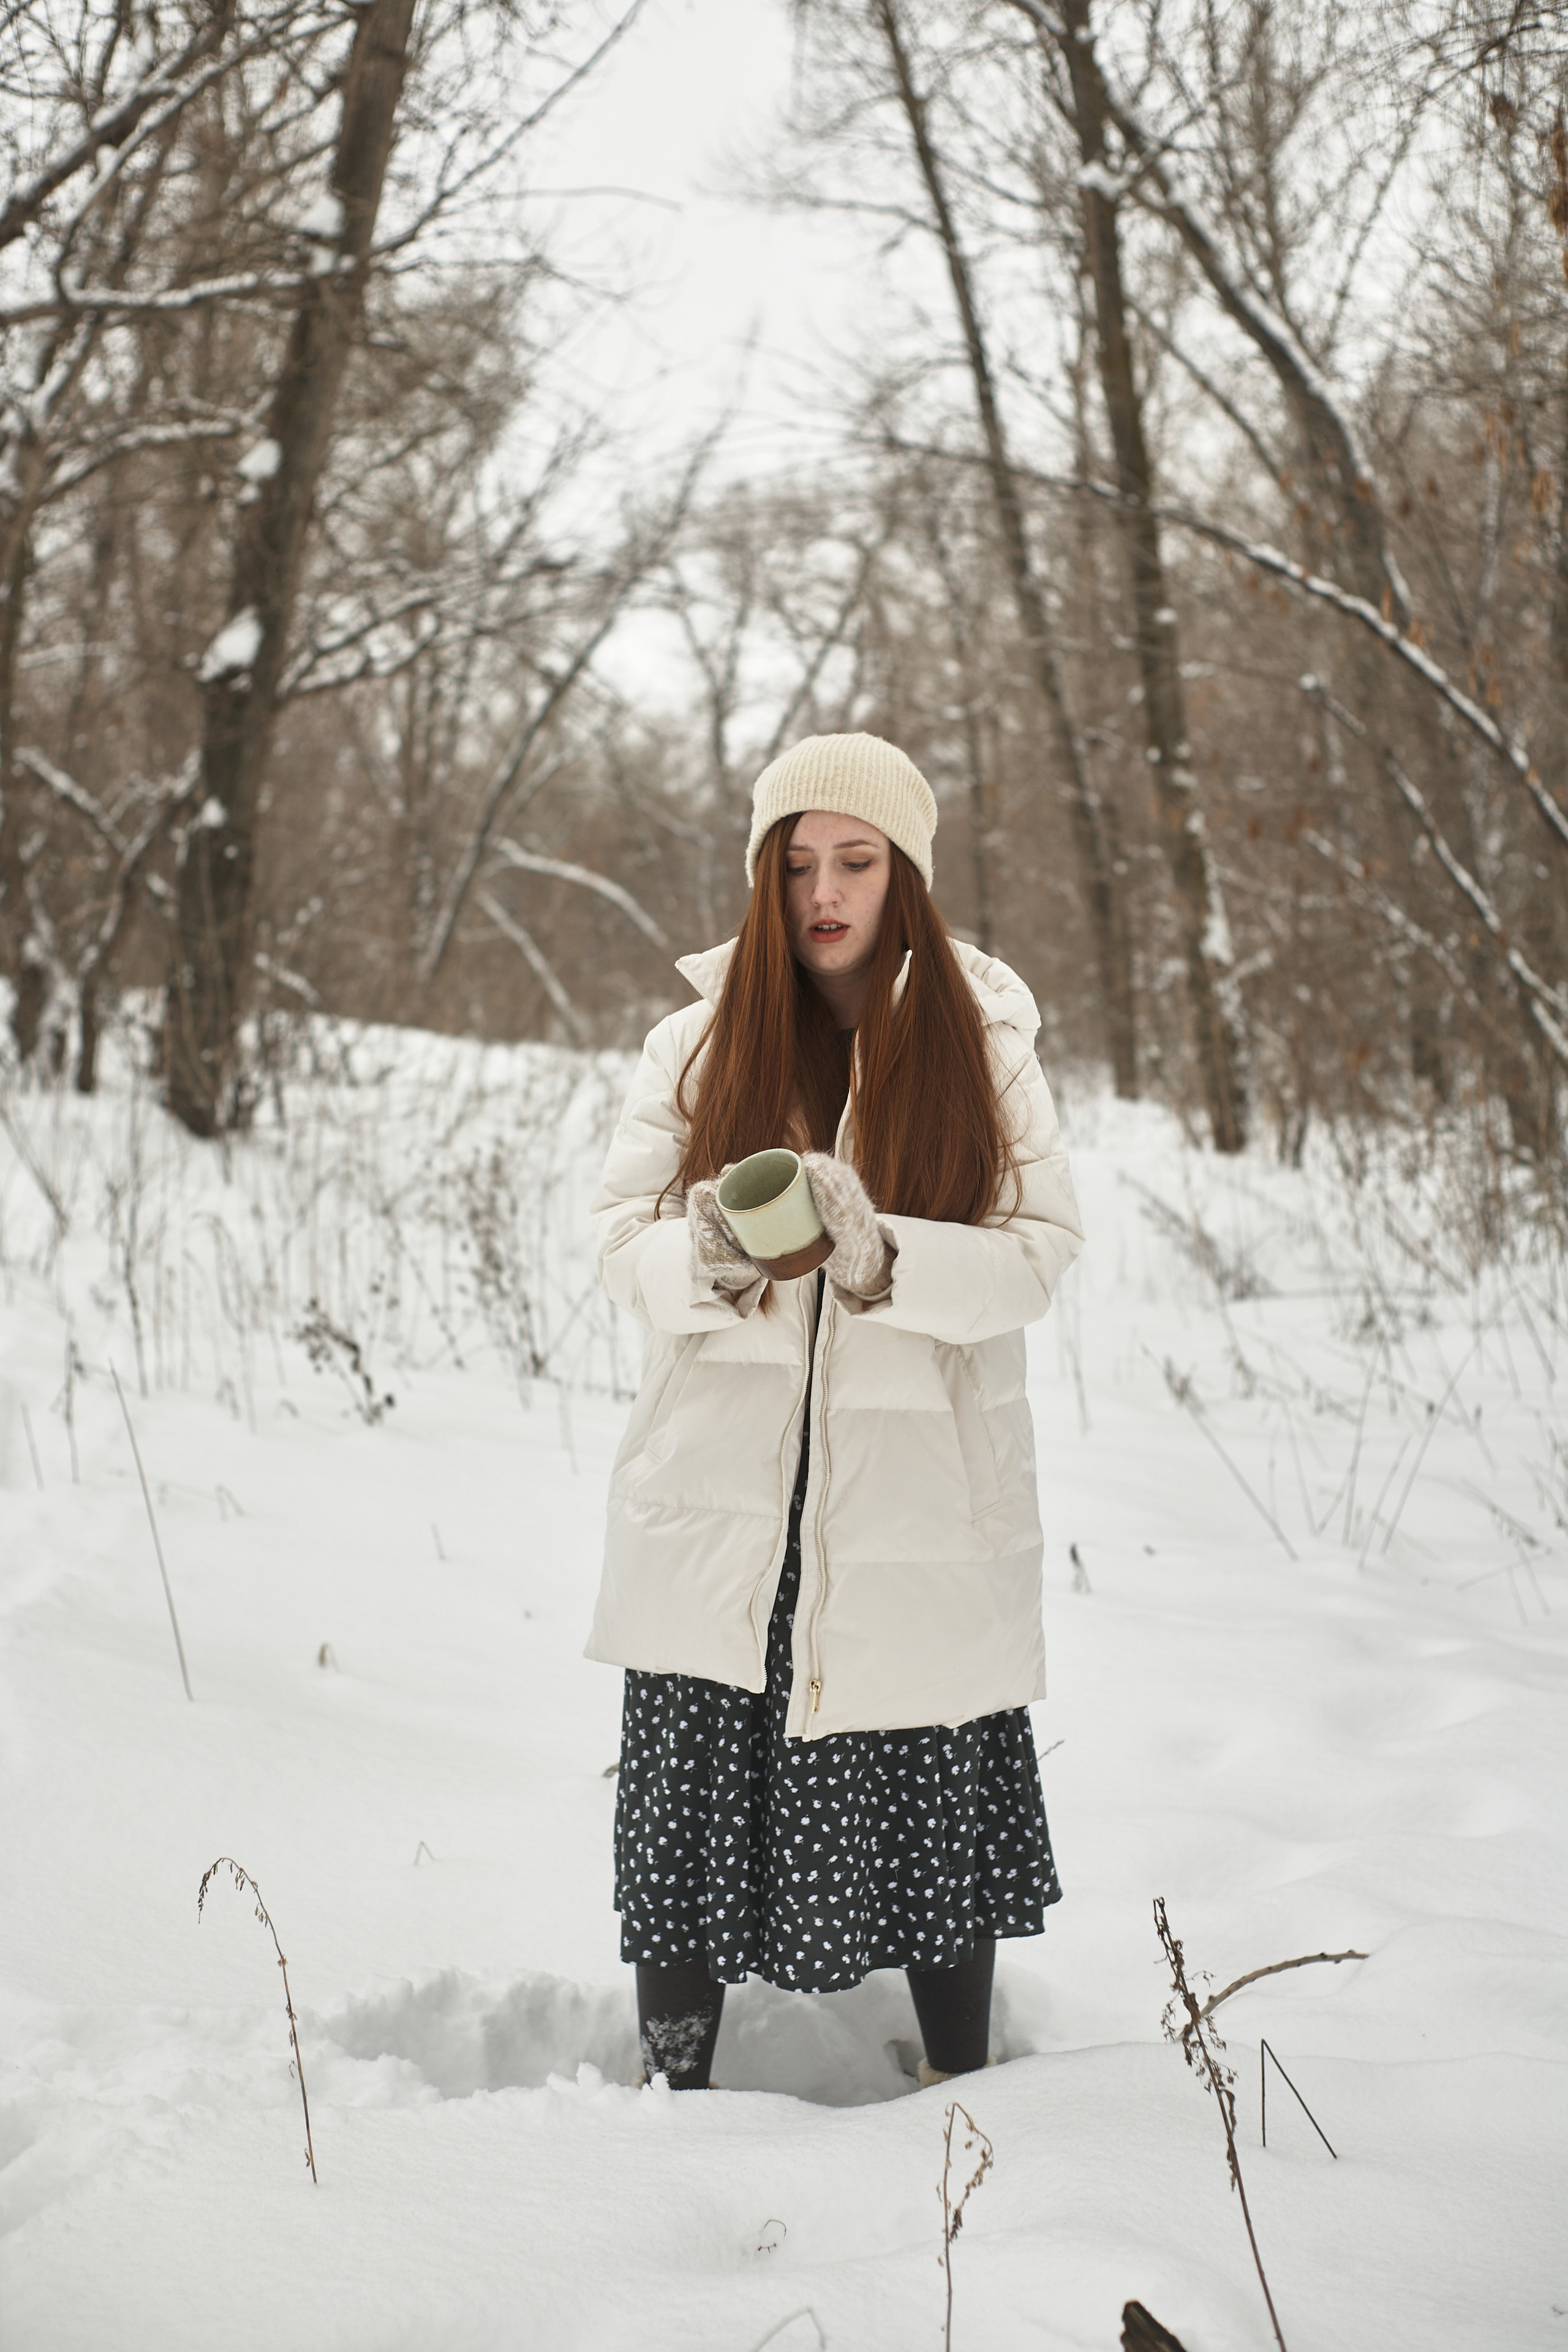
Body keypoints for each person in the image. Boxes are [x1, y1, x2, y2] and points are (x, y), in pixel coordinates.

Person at [587, 731, 1084, 2092]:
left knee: (925, 1775)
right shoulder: (697, 1042)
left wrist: (884, 1261)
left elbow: (1038, 1254)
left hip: (916, 1498)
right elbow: (618, 1239)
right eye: (797, 863)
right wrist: (703, 1256)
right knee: (692, 1800)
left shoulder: (983, 1045)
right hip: (724, 1498)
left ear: (903, 872)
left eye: (855, 861)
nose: (823, 891)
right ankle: (670, 2091)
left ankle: (962, 2083)